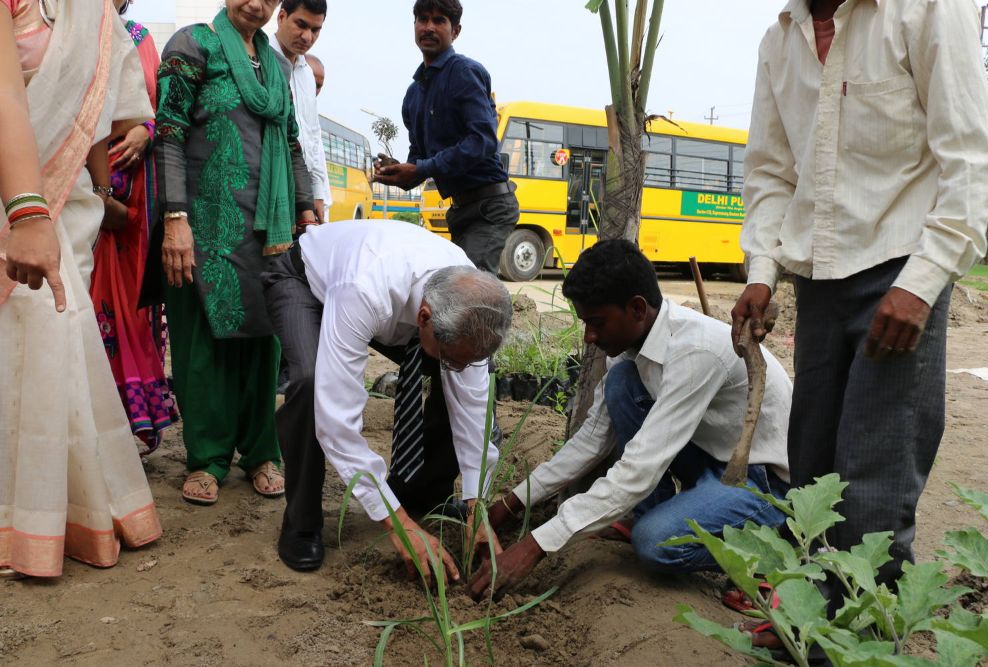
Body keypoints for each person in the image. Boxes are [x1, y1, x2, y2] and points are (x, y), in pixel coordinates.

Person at [730, 0, 988, 638]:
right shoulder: (781, 39)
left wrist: (925, 282)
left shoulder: (927, 9)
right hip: (817, 279)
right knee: (814, 467)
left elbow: (968, 155)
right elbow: (770, 170)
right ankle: (812, 620)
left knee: (875, 478)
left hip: (900, 272)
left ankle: (863, 641)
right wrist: (762, 272)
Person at [469, 240, 793, 601]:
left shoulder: (696, 352)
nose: (589, 337)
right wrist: (509, 505)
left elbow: (639, 469)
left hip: (758, 480)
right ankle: (656, 512)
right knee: (623, 383)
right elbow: (592, 439)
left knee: (656, 542)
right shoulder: (628, 348)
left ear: (637, 308)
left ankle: (769, 552)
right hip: (710, 456)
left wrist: (534, 546)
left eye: (597, 323)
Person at [0, 0, 161, 578]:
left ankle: (61, 515)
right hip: (17, 207)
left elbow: (96, 112)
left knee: (57, 349)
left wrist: (99, 189)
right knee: (26, 346)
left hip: (68, 210)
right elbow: (6, 98)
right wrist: (25, 213)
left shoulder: (92, 14)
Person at [261, 220, 512, 576]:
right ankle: (301, 522)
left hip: (394, 303)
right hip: (305, 282)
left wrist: (477, 506)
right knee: (310, 383)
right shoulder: (364, 288)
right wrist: (399, 526)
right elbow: (336, 421)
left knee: (459, 379)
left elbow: (473, 410)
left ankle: (421, 493)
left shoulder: (470, 302)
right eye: (452, 356)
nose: (460, 367)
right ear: (423, 319)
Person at [154, 0, 317, 506]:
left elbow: (291, 143)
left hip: (267, 230)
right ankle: (206, 457)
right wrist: (175, 218)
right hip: (203, 226)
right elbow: (169, 133)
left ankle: (261, 452)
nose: (257, 3)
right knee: (203, 344)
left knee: (264, 341)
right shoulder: (194, 44)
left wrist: (306, 209)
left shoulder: (275, 65)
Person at [89, 0, 179, 455]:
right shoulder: (69, 30)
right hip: (81, 186)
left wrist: (147, 127)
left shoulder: (140, 37)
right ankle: (88, 427)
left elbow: (163, 110)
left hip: (137, 196)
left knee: (133, 305)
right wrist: (98, 193)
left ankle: (135, 424)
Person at [373, 0, 518, 275]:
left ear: (455, 31)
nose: (429, 27)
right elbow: (419, 161)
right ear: (414, 25)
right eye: (422, 19)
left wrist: (422, 167)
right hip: (459, 211)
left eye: (439, 20)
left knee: (470, 291)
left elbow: (484, 141)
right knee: (454, 291)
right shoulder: (412, 96)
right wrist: (397, 171)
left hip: (489, 208)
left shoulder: (464, 72)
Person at [271, 0, 329, 222]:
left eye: (315, 30)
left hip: (304, 196)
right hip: (272, 187)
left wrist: (318, 193)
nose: (307, 37)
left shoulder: (306, 73)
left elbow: (312, 136)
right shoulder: (260, 60)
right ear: (282, 16)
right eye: (301, 25)